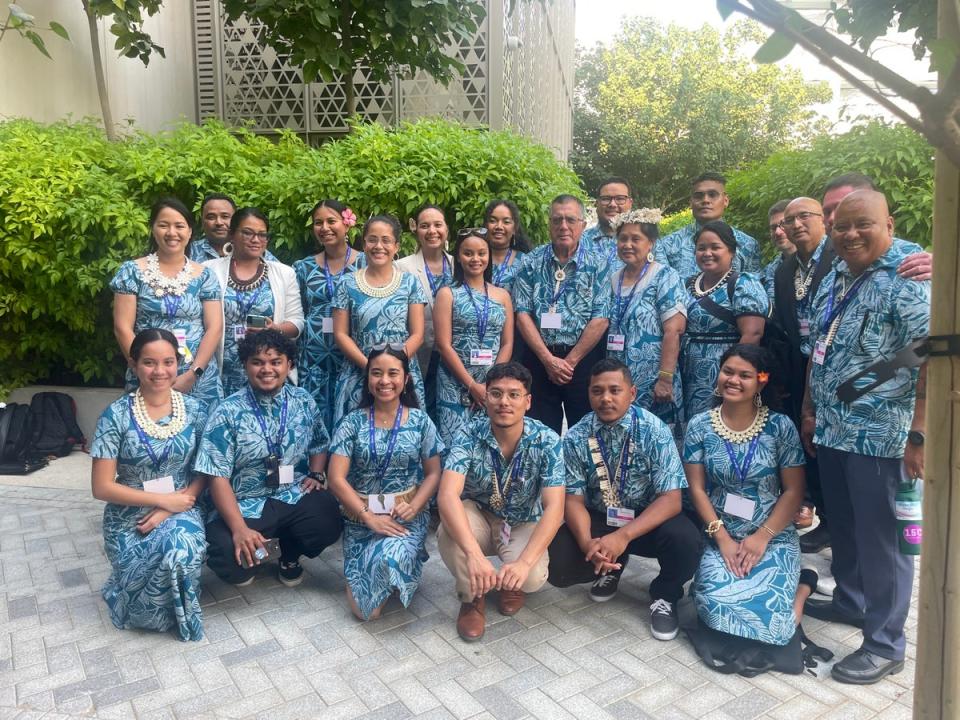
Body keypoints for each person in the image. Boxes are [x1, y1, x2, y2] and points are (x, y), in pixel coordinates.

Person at [801, 190, 929, 684]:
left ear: (889, 224)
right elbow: (823, 342)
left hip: (883, 437)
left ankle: (885, 644)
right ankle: (853, 602)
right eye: (842, 226)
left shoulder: (911, 277)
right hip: (834, 429)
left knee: (885, 543)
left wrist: (919, 432)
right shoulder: (838, 272)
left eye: (863, 224)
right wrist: (811, 407)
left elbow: (934, 354)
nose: (850, 234)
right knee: (848, 529)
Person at [547, 359, 701, 641]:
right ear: (589, 393)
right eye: (597, 391)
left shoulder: (654, 430)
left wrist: (623, 536)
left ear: (631, 393)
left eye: (615, 390)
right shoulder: (576, 436)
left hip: (646, 521)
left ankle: (664, 594)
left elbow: (671, 499)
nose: (606, 398)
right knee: (557, 561)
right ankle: (609, 565)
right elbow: (573, 499)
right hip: (600, 518)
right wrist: (587, 544)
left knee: (687, 541)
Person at [684, 345, 815, 664]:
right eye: (728, 371)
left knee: (778, 625)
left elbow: (794, 491)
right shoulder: (700, 425)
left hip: (772, 536)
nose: (733, 380)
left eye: (745, 375)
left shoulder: (780, 427)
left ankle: (803, 588)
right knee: (714, 608)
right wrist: (723, 539)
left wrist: (762, 537)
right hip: (721, 535)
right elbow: (697, 489)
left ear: (762, 380)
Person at [194, 330, 342, 587]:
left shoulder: (303, 401)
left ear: (289, 365)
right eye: (257, 362)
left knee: (327, 517)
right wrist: (239, 529)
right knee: (227, 553)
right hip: (244, 502)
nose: (267, 369)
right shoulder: (228, 412)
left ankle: (289, 554)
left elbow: (320, 441)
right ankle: (254, 555)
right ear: (245, 365)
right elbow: (216, 475)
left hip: (289, 492)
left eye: (275, 362)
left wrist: (317, 474)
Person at [91, 328, 207, 641]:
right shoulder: (114, 416)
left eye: (168, 362)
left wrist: (172, 506)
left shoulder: (195, 410)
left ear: (178, 363)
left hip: (182, 505)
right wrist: (159, 502)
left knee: (182, 547)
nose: (160, 371)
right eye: (149, 363)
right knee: (141, 601)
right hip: (130, 517)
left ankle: (181, 614)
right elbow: (101, 487)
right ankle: (128, 592)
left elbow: (206, 470)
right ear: (134, 365)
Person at [437, 362, 565, 641]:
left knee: (531, 576)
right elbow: (447, 494)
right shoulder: (468, 434)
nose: (504, 402)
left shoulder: (547, 440)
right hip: (479, 515)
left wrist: (523, 563)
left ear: (528, 401)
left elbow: (555, 509)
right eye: (495, 394)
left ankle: (511, 582)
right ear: (486, 398)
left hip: (521, 521)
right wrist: (473, 554)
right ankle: (473, 595)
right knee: (448, 530)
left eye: (513, 395)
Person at [327, 346, 443, 620]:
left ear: (405, 379)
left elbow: (434, 473)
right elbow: (335, 478)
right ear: (368, 379)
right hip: (360, 517)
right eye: (376, 373)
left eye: (393, 373)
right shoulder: (352, 422)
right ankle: (377, 564)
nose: (384, 381)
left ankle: (396, 561)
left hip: (404, 517)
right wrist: (368, 517)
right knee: (366, 613)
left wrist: (414, 507)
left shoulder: (420, 421)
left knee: (390, 558)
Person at [111, 197, 224, 409]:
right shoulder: (132, 272)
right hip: (149, 376)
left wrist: (194, 373)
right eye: (164, 225)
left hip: (198, 378)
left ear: (190, 232)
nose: (172, 232)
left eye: (179, 226)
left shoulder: (205, 275)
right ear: (153, 229)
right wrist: (144, 370)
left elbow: (214, 327)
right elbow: (122, 328)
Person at [513, 194, 611, 434]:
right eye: (557, 220)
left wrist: (569, 362)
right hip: (539, 359)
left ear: (583, 225)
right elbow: (522, 314)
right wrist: (548, 360)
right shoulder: (531, 261)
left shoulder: (599, 264)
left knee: (587, 431)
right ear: (549, 224)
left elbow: (601, 318)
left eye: (570, 220)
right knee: (539, 431)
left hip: (582, 360)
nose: (563, 226)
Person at [332, 215, 427, 424]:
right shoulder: (346, 283)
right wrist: (370, 367)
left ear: (396, 246)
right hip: (359, 371)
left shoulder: (410, 283)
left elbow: (418, 334)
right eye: (372, 239)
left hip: (401, 373)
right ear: (364, 244)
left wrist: (394, 366)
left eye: (386, 240)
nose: (379, 246)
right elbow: (340, 333)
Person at [206, 208, 304, 397]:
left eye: (262, 234)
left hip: (266, 373)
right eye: (248, 233)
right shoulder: (209, 271)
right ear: (232, 235)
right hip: (220, 371)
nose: (255, 239)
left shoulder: (284, 273)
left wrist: (275, 328)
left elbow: (298, 322)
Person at [605, 209, 686, 435]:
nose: (627, 244)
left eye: (635, 239)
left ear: (650, 243)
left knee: (656, 438)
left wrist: (665, 379)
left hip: (654, 382)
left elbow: (674, 330)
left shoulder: (665, 276)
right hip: (618, 382)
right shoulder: (613, 278)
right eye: (622, 239)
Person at [434, 228, 514, 448]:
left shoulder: (502, 295)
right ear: (458, 257)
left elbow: (507, 343)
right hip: (455, 383)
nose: (475, 259)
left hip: (492, 383)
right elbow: (443, 345)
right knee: (455, 446)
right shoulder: (447, 294)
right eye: (468, 253)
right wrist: (471, 385)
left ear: (489, 255)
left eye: (481, 253)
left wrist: (491, 384)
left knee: (490, 445)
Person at [681, 220, 768, 418]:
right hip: (687, 371)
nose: (707, 253)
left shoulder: (743, 283)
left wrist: (730, 376)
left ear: (731, 251)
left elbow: (752, 334)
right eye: (701, 248)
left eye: (715, 247)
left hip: (722, 373)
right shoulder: (688, 284)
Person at [294, 200, 365, 434]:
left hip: (353, 359)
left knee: (351, 421)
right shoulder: (303, 268)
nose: (324, 227)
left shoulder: (367, 263)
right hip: (314, 360)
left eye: (331, 221)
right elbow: (299, 311)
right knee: (313, 424)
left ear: (347, 225)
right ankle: (313, 472)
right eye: (318, 223)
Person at [395, 205, 454, 421]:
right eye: (425, 226)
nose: (432, 231)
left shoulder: (459, 264)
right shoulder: (401, 267)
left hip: (454, 357)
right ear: (416, 230)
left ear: (446, 228)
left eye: (438, 225)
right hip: (420, 356)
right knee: (421, 412)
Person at [822, 172, 931, 281]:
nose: (832, 218)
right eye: (827, 211)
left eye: (841, 207)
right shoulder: (833, 259)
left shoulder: (912, 268)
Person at [657, 172, 761, 280]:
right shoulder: (668, 245)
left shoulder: (747, 244)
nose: (705, 200)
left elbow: (754, 287)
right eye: (699, 196)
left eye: (712, 195)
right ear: (691, 203)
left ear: (725, 200)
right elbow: (662, 287)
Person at [189, 193, 277, 263]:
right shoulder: (188, 252)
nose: (219, 222)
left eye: (225, 216)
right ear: (202, 221)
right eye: (211, 217)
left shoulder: (257, 253)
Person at [581, 177, 633, 267]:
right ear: (597, 204)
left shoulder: (646, 244)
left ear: (630, 203)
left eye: (620, 199)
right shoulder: (579, 243)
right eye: (606, 199)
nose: (612, 204)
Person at [484, 199, 531, 295]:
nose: (499, 226)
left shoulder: (525, 262)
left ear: (514, 229)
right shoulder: (476, 258)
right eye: (493, 221)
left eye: (506, 222)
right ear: (486, 226)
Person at [762, 200, 795, 306]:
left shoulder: (821, 261)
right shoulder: (770, 271)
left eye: (783, 224)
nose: (777, 232)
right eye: (773, 227)